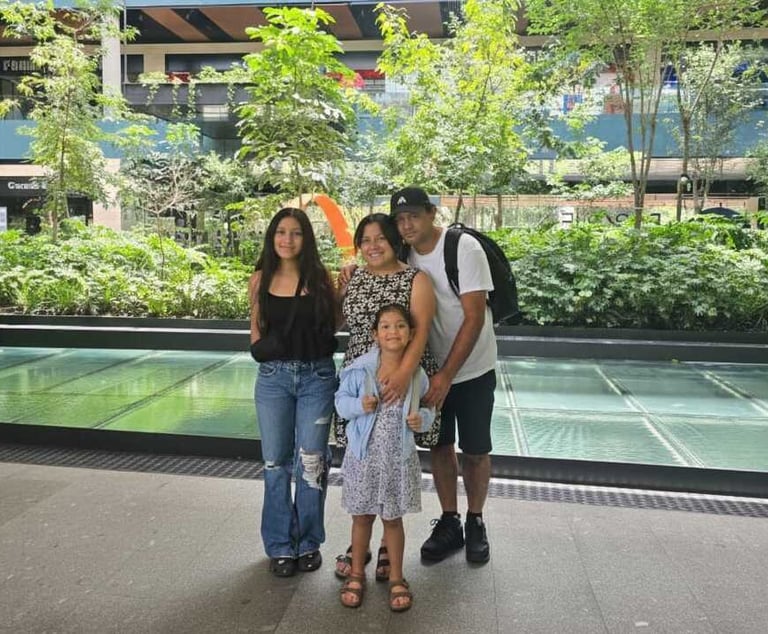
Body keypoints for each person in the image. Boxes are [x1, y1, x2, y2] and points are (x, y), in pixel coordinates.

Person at [390, 186, 497, 564]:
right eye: (400, 219)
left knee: (476, 449)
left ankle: (476, 519)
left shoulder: (463, 248)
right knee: (438, 444)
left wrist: (447, 375)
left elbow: (474, 316)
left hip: (471, 368)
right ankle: (450, 520)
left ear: (431, 214)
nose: (406, 225)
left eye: (413, 216)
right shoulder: (402, 253)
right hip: (429, 370)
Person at [333, 213, 439, 581]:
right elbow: (335, 322)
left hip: (400, 376)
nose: (373, 245)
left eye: (380, 238)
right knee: (363, 459)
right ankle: (360, 541)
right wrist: (340, 285)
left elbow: (422, 330)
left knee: (391, 456)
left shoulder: (415, 278)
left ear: (395, 241)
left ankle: (385, 548)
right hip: (361, 377)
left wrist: (403, 373)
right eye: (365, 239)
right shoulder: (355, 277)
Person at [248, 207, 338, 578]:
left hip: (316, 375)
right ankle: (280, 545)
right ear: (272, 237)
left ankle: (309, 541)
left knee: (311, 463)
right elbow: (255, 331)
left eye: (296, 233)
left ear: (307, 238)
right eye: (281, 232)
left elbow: (335, 323)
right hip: (274, 379)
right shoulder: (259, 278)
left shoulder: (320, 278)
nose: (288, 239)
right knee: (274, 463)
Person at [334, 303, 435, 611]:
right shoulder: (359, 370)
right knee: (361, 516)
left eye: (401, 326)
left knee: (393, 519)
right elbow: (340, 403)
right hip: (363, 459)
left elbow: (428, 409)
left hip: (396, 460)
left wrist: (423, 421)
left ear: (411, 333)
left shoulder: (416, 375)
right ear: (375, 334)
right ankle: (356, 573)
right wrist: (358, 406)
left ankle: (397, 576)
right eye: (386, 326)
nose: (393, 331)